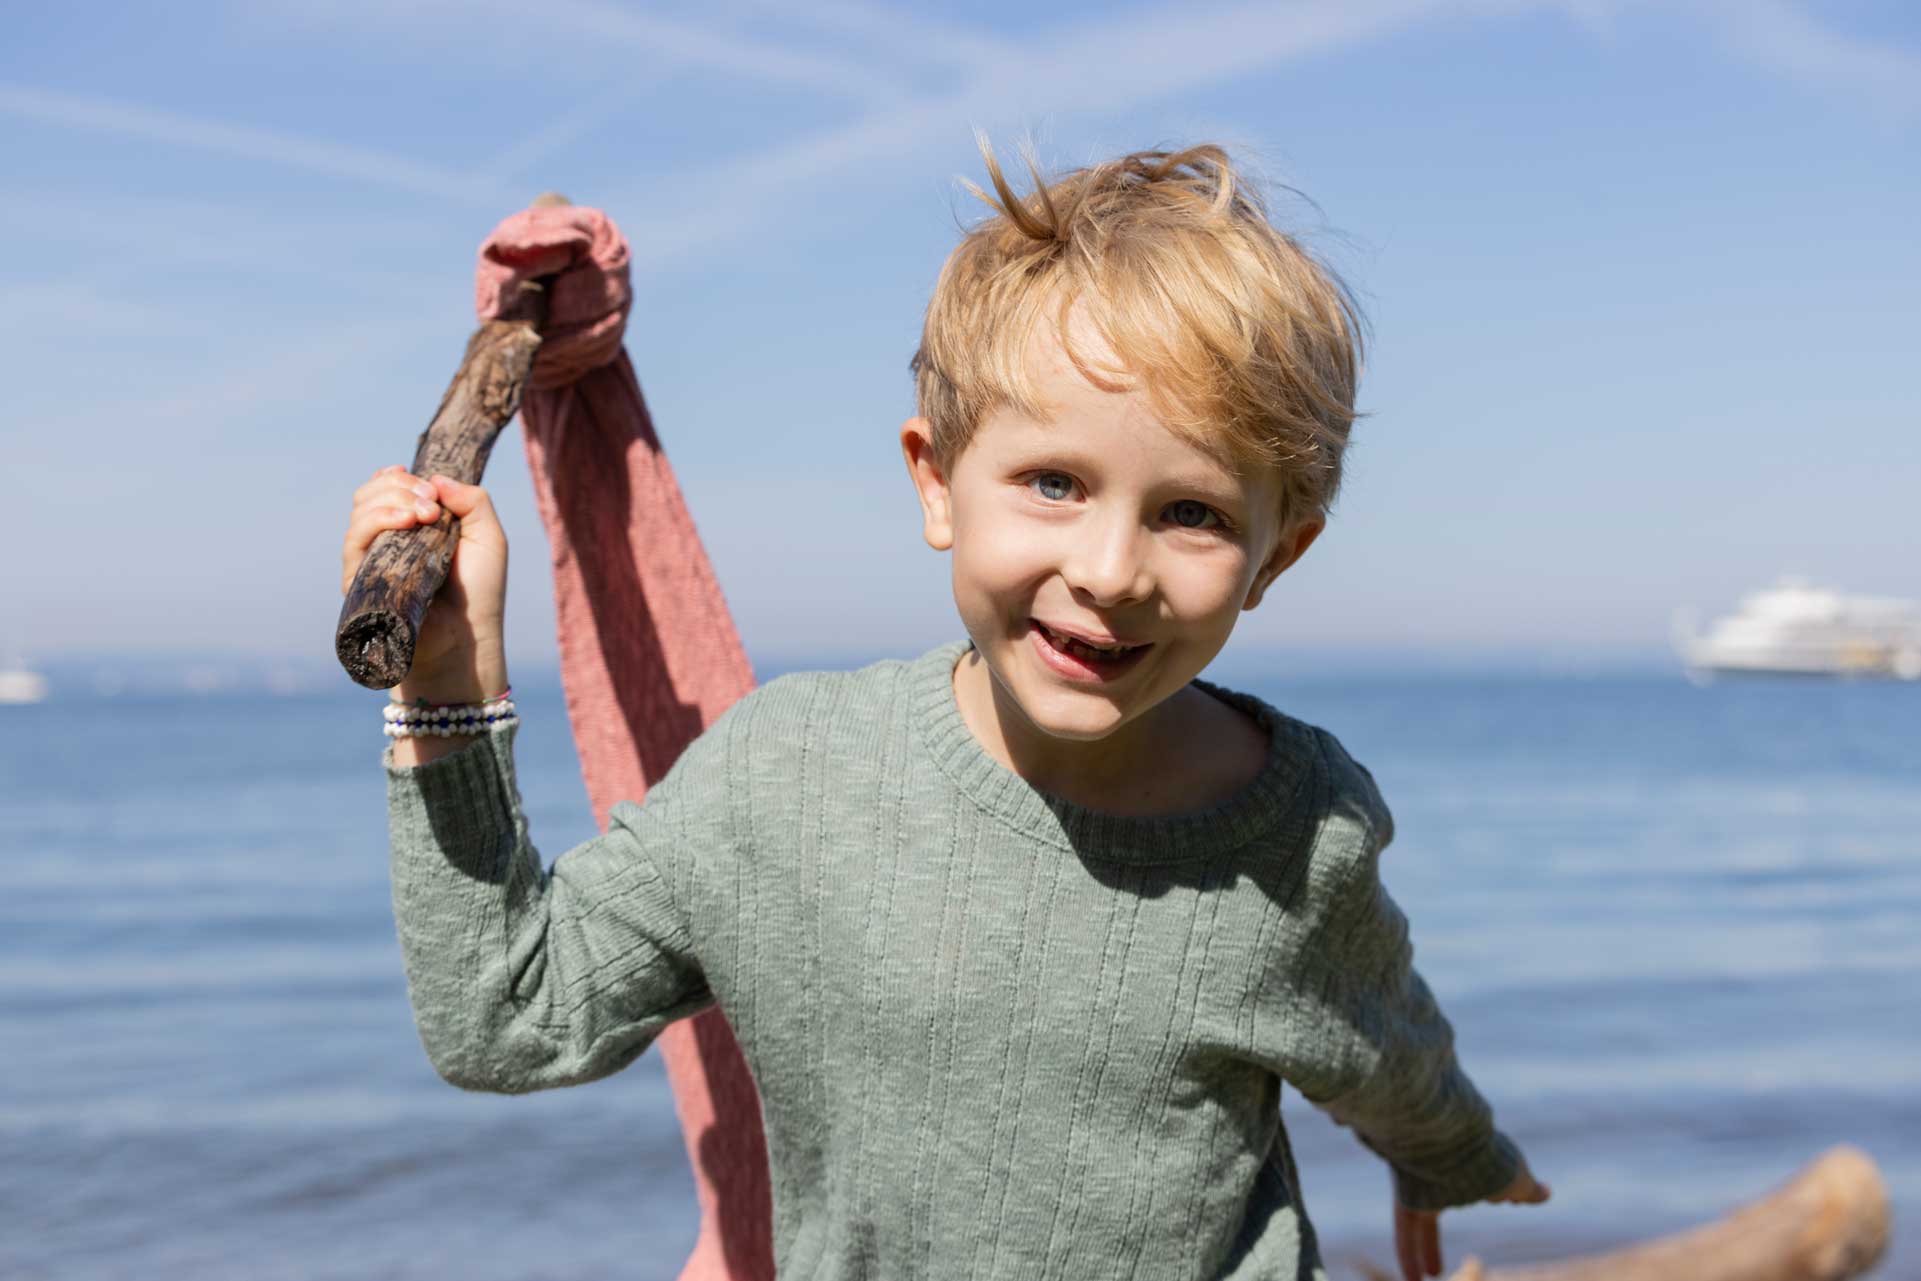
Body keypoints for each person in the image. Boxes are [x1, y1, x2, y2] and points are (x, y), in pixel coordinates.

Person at [346, 141, 1550, 1281]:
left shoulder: (1294, 829)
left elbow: (1387, 1049)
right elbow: (509, 1018)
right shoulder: (788, 782)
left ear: (1274, 560)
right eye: (1054, 483)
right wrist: (447, 691)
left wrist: (1464, 1162)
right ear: (937, 482)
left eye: (1192, 514)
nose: (1113, 568)